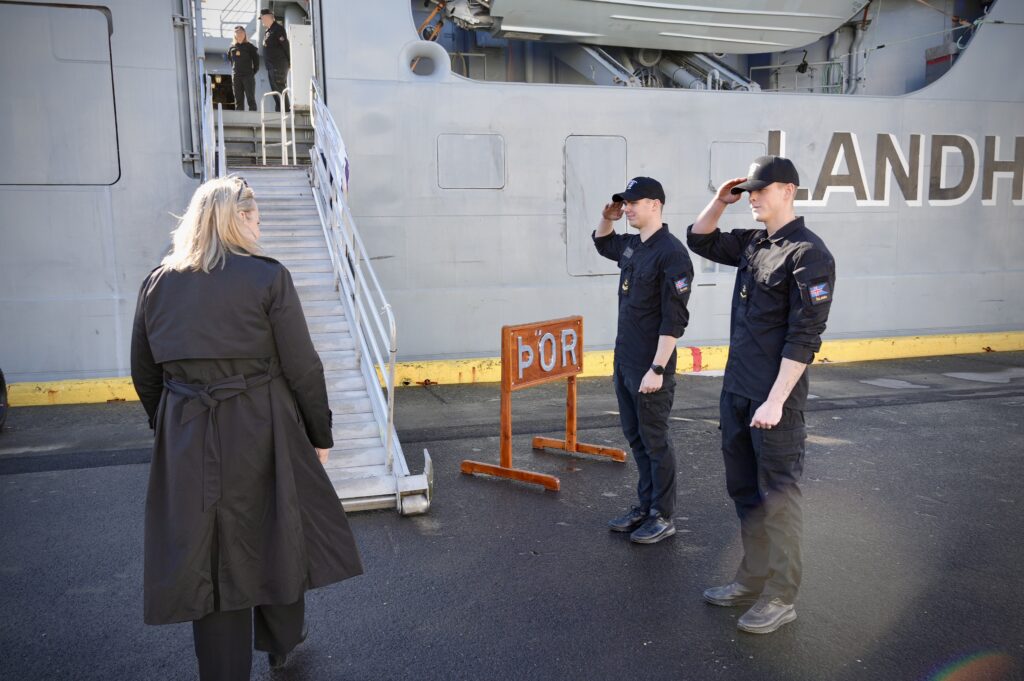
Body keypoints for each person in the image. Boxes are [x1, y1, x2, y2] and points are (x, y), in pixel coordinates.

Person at [130, 176, 363, 679]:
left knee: (208, 550)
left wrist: (170, 428)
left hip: (188, 431)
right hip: (262, 427)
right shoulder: (267, 278)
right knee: (275, 528)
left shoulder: (158, 282)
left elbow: (145, 372)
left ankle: (223, 671)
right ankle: (281, 640)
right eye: (256, 217)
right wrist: (319, 432)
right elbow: (303, 366)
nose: (260, 227)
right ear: (238, 218)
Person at [686, 156, 836, 634]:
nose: (752, 197)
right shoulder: (754, 243)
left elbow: (805, 336)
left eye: (760, 189)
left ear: (788, 191)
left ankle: (781, 595)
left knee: (777, 498)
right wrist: (719, 200)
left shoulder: (809, 254)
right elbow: (699, 239)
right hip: (737, 391)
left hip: (774, 402)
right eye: (748, 190)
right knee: (745, 492)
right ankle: (751, 580)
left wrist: (775, 401)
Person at [594, 177, 694, 544]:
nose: (627, 208)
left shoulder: (672, 254)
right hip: (625, 360)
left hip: (650, 366)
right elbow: (603, 243)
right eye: (625, 203)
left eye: (633, 203)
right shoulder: (634, 246)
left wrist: (657, 368)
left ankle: (662, 515)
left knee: (655, 440)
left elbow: (674, 318)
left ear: (655, 205)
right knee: (636, 437)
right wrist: (607, 218)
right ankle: (645, 505)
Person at [260, 9, 290, 112]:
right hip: (271, 66)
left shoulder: (277, 29)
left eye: (262, 18)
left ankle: (285, 111)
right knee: (275, 89)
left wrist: (290, 61)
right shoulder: (269, 31)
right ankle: (280, 110)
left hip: (278, 64)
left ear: (268, 17)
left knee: (279, 87)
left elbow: (285, 45)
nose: (262, 21)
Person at [227, 25, 259, 111]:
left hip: (248, 76)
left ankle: (253, 118)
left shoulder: (250, 47)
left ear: (245, 34)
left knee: (251, 99)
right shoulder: (231, 48)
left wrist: (251, 73)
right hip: (236, 77)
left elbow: (256, 63)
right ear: (234, 35)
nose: (239, 34)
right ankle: (239, 117)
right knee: (238, 100)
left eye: (241, 32)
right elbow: (231, 61)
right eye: (237, 32)